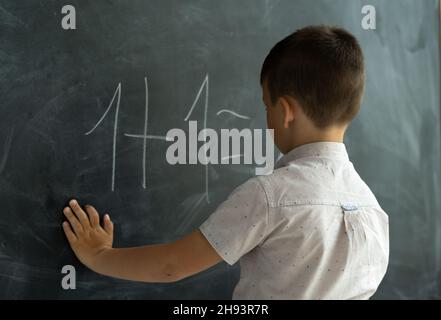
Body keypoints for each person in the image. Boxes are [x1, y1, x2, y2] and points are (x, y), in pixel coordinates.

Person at [62, 25, 389, 299]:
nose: (267, 118)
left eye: (267, 106)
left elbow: (172, 265)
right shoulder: (374, 212)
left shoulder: (271, 196)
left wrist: (99, 255)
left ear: (286, 111)